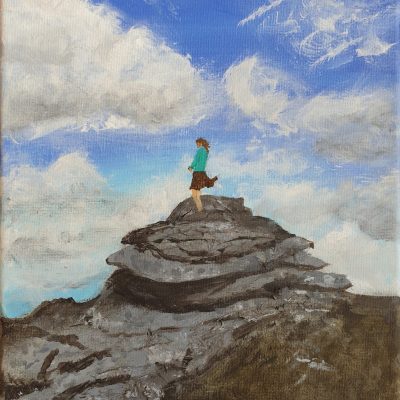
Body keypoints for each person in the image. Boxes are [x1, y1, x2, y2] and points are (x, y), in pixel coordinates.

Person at [188, 138, 218, 212]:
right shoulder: (206, 151)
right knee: (197, 194)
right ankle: (200, 210)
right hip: (202, 173)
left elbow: (196, 160)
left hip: (197, 173)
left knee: (194, 195)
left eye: (197, 143)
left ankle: (200, 210)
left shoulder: (200, 150)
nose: (196, 145)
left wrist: (191, 166)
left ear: (200, 143)